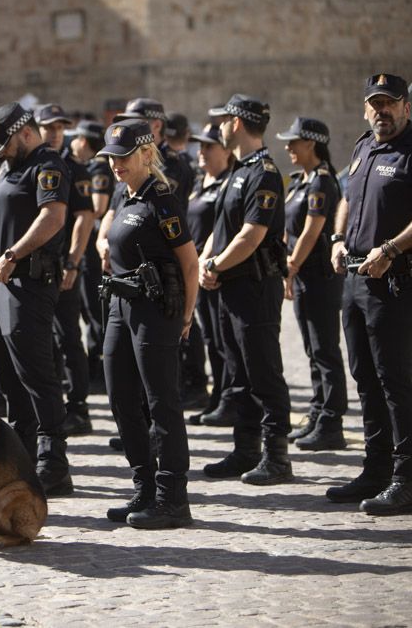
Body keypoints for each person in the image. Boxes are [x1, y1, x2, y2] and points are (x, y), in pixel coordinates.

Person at [97, 119, 198, 528]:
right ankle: (144, 487)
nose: (116, 165)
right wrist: (104, 243)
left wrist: (187, 318)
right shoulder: (127, 194)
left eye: (123, 158)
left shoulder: (162, 199)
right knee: (120, 395)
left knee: (161, 402)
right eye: (111, 159)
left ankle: (173, 496)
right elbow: (107, 229)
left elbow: (189, 264)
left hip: (155, 310)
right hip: (121, 305)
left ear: (144, 154)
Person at [0, 101, 73, 496]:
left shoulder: (46, 165)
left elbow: (53, 217)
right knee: (9, 378)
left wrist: (14, 254)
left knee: (37, 375)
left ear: (25, 133)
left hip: (27, 283)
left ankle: (54, 460)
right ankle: (23, 455)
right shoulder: (6, 167)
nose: (1, 152)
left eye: (6, 144)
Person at [328, 73, 412, 515]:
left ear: (406, 107)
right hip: (356, 279)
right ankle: (376, 468)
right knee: (364, 379)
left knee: (395, 382)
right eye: (374, 104)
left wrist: (391, 248)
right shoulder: (363, 146)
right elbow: (347, 196)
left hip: (394, 281)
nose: (381, 111)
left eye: (389, 103)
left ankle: (406, 478)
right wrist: (338, 239)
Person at [200, 94, 294, 485]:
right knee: (237, 372)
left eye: (223, 120)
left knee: (263, 372)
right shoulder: (237, 171)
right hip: (229, 286)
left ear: (237, 123)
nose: (219, 126)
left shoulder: (265, 173)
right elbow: (220, 230)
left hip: (254, 287)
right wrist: (208, 262)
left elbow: (251, 235)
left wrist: (215, 265)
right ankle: (245, 450)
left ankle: (276, 456)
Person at [276, 116, 346, 451]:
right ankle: (319, 411)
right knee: (311, 349)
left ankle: (332, 421)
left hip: (319, 276)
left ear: (312, 144)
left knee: (325, 350)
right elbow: (290, 230)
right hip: (304, 275)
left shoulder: (321, 182)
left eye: (294, 141)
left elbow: (311, 231)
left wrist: (290, 267)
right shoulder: (301, 181)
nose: (288, 147)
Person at [36, 104, 95, 435]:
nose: (56, 132)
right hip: (35, 267)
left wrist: (73, 261)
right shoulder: (35, 164)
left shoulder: (75, 168)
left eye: (60, 127)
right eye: (50, 127)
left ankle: (78, 407)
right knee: (43, 340)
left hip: (63, 266)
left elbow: (84, 218)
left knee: (70, 336)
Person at [185, 123, 237, 427]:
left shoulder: (228, 183)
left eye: (209, 146)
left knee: (223, 341)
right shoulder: (200, 182)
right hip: (199, 271)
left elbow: (224, 228)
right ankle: (218, 395)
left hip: (218, 271)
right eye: (200, 146)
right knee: (210, 339)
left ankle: (229, 399)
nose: (201, 151)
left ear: (226, 151)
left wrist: (210, 262)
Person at [71, 120, 113, 391]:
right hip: (89, 250)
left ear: (83, 141)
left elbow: (98, 206)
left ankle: (98, 369)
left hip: (93, 251)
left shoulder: (97, 167)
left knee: (95, 312)